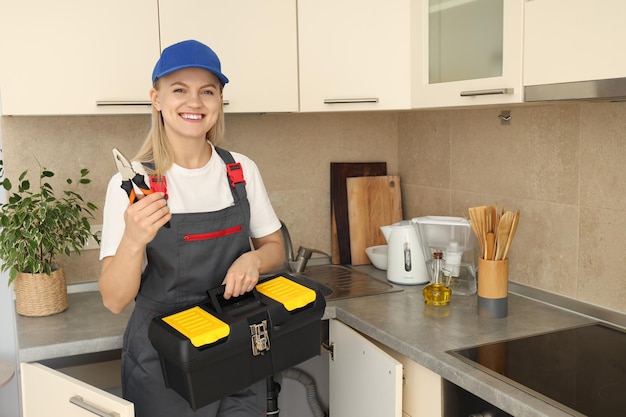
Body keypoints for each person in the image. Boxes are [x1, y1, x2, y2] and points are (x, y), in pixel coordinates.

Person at [98, 39, 286, 417]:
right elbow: (114, 300)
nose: (194, 103)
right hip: (164, 358)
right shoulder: (135, 184)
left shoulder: (241, 171)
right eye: (179, 90)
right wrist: (134, 240)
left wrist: (254, 261)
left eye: (207, 91)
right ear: (157, 98)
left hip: (236, 342)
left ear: (219, 101)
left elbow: (276, 250)